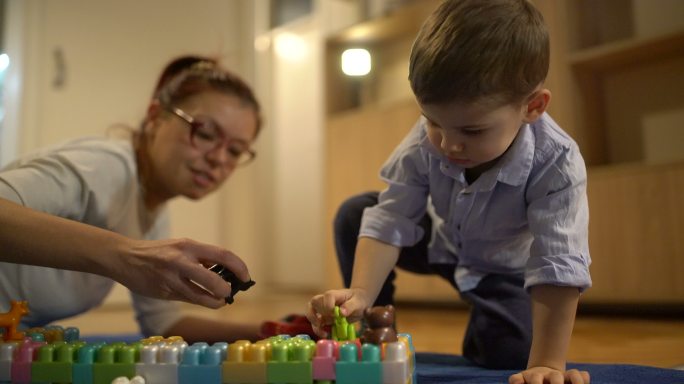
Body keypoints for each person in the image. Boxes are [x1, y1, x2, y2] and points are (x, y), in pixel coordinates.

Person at [307, 1, 592, 383]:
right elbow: (392, 217)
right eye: (432, 122)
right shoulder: (428, 141)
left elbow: (557, 262)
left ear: (532, 107)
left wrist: (548, 364)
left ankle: (488, 321)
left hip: (504, 270)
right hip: (443, 246)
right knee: (356, 212)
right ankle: (376, 328)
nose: (447, 144)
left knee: (507, 354)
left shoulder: (556, 162)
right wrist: (360, 292)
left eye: (471, 132)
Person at [0, 55, 290, 343]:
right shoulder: (102, 167)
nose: (218, 159)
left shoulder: (152, 207)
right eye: (204, 133)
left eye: (235, 151)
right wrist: (125, 256)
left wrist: (275, 331)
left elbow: (163, 321)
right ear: (155, 117)